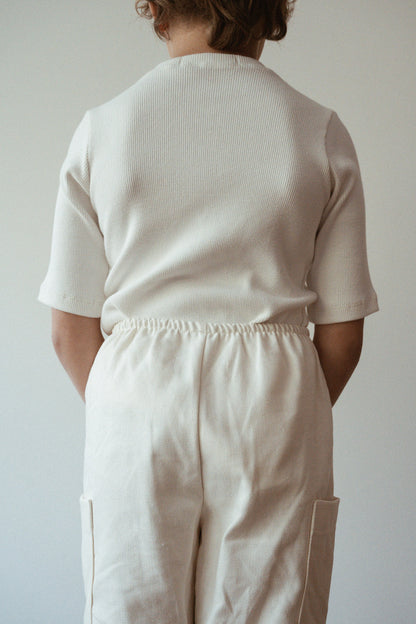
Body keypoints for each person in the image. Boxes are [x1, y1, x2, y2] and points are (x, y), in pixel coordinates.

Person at [37, 1, 380, 623]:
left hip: (134, 394)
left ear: (158, 10)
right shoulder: (316, 129)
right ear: (271, 10)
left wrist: (131, 410)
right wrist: (286, 411)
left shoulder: (104, 127)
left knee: (130, 608)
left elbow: (68, 328)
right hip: (272, 395)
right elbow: (342, 333)